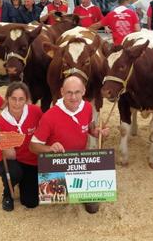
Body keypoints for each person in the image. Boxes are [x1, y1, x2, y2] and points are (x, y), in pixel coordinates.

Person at [29, 75, 109, 214]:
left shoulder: (88, 108)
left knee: (93, 208)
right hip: (58, 163)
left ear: (84, 91)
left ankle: (82, 192)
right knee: (47, 199)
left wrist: (98, 133)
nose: (73, 97)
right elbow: (33, 146)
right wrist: (49, 148)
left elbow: (90, 128)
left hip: (79, 161)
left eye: (77, 92)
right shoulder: (49, 116)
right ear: (61, 92)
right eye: (69, 93)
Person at [0, 82, 44, 211]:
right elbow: (11, 155)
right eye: (13, 99)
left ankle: (24, 182)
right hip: (11, 160)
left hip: (31, 159)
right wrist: (5, 144)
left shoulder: (35, 111)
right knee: (15, 172)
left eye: (21, 99)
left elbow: (46, 129)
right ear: (7, 99)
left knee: (31, 202)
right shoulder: (0, 122)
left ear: (27, 100)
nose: (17, 103)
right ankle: (7, 193)